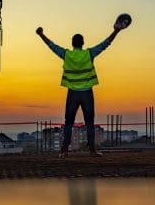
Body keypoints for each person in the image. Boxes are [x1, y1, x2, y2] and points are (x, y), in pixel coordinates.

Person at [36, 21, 124, 157]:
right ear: (83, 43)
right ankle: (92, 151)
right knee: (90, 123)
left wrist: (41, 35)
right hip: (87, 94)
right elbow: (105, 44)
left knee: (68, 123)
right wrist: (116, 31)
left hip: (72, 94)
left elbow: (52, 46)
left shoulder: (67, 55)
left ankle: (64, 151)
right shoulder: (89, 54)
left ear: (72, 43)